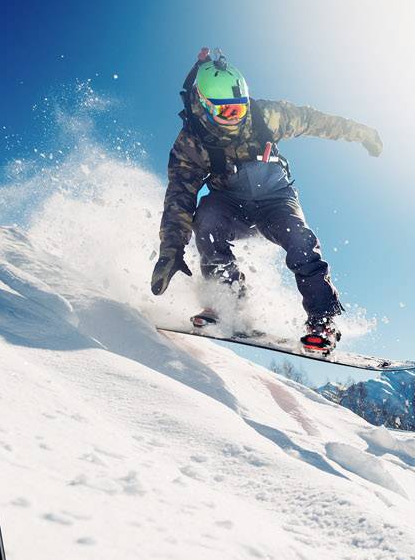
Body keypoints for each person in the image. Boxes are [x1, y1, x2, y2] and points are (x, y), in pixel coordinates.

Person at [150, 49, 382, 353]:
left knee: (299, 239)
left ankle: (322, 320)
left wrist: (362, 133)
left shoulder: (264, 117)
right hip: (230, 203)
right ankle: (227, 301)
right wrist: (171, 249)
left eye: (241, 108)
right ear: (204, 108)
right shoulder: (191, 143)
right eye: (227, 113)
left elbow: (316, 121)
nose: (238, 118)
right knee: (206, 221)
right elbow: (179, 196)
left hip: (276, 199)